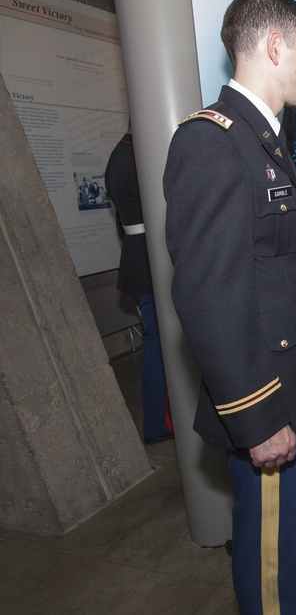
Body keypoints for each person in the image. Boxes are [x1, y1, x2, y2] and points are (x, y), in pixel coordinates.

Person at [162, 0, 296, 615]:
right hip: (269, 398)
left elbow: (258, 262)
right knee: (272, 564)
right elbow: (207, 293)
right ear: (273, 47)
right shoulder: (213, 143)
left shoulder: (264, 139)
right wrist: (255, 418)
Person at [104, 125, 173, 444]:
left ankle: (160, 420)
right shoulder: (135, 156)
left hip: (138, 256)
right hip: (150, 260)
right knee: (161, 347)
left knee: (158, 344)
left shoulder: (119, 154)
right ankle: (160, 422)